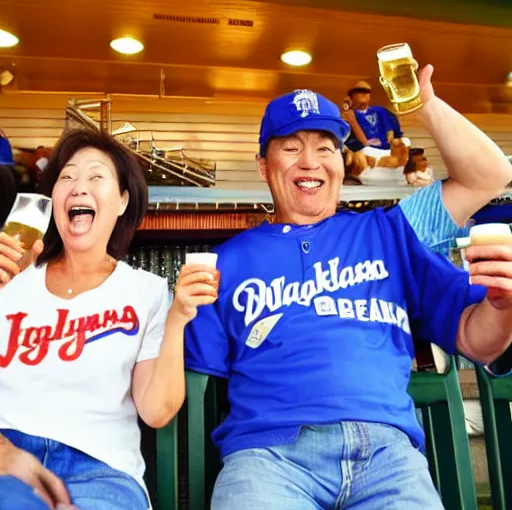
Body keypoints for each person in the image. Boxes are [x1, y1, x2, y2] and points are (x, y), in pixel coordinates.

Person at [185, 74, 512, 508]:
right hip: (271, 458)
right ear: (264, 166)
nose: (310, 162)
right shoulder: (225, 263)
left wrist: (426, 105)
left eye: (325, 148)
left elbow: (489, 178)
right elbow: (181, 382)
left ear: (342, 163)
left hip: (387, 456)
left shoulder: (391, 230)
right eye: (290, 147)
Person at [0, 129, 218, 510]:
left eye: (96, 176)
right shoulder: (11, 274)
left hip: (100, 471)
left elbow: (156, 411)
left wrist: (178, 319)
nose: (79, 187)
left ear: (121, 201)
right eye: (67, 176)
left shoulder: (146, 292)